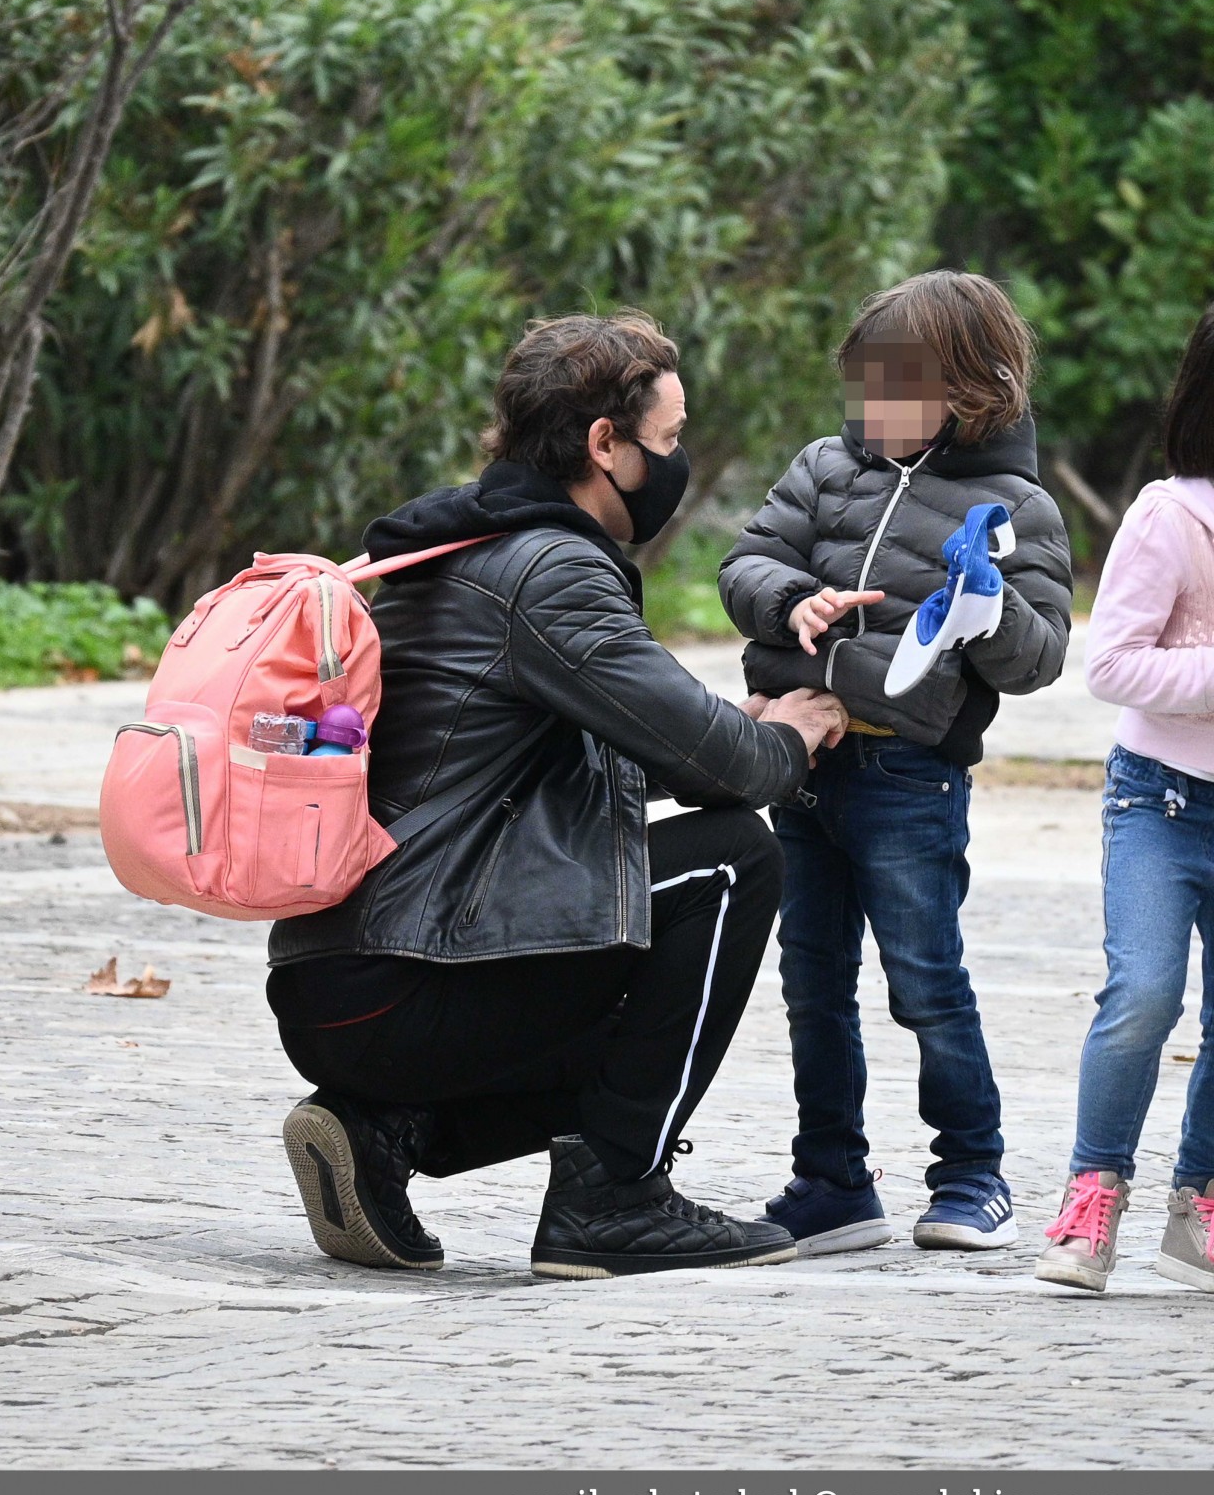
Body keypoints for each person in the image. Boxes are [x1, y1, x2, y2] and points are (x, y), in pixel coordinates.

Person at [269, 311, 848, 1278]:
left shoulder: (448, 543)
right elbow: (731, 775)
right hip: (410, 976)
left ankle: (384, 1127)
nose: (677, 461)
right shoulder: (552, 570)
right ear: (603, 445)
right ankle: (617, 1197)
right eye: (666, 439)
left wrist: (736, 729)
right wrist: (791, 733)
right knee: (730, 859)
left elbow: (630, 749)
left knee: (648, 921)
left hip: (341, 981)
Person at [720, 271, 1073, 1256]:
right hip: (801, 767)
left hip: (907, 783)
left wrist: (988, 605)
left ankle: (971, 1170)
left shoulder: (1015, 505)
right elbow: (743, 563)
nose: (867, 409)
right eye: (860, 386)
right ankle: (829, 1176)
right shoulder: (824, 468)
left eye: (892, 387)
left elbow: (1038, 657)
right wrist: (788, 597)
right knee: (810, 978)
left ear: (966, 389)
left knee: (923, 978)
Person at [1036, 307, 1214, 1293]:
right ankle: (1089, 1195)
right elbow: (1107, 662)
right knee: (1142, 992)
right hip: (1159, 803)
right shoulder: (1167, 513)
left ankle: (1199, 1205)